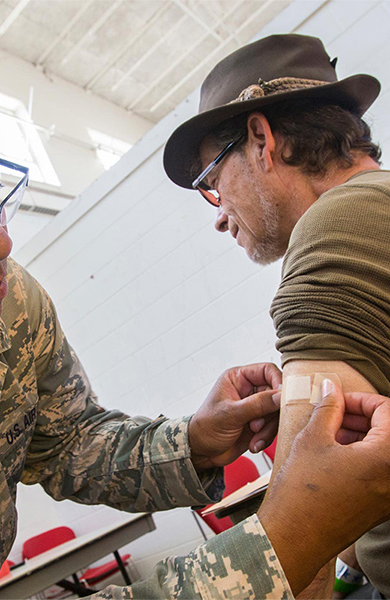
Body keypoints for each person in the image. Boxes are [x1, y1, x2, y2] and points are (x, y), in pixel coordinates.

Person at [0, 5, 389, 598]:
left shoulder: (5, 303)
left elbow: (68, 440)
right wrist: (292, 537)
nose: (0, 243)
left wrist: (193, 443)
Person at [164, 33, 390, 597]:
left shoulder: (337, 223)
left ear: (261, 139)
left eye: (212, 182)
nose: (219, 215)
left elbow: (306, 529)